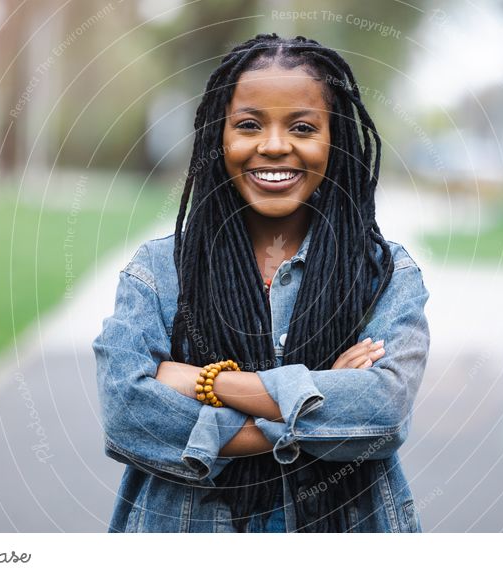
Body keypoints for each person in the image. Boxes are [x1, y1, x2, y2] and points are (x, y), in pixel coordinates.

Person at [92, 33, 430, 533]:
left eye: (302, 127)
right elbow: (128, 415)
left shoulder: (383, 274)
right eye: (249, 124)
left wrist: (209, 383)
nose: (274, 145)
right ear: (218, 138)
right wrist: (318, 402)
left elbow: (382, 412)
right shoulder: (159, 271)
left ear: (334, 141)